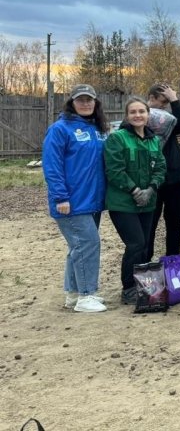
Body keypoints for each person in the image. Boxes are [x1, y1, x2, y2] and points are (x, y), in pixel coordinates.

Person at [42, 84, 109, 313]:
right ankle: (86, 295)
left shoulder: (97, 129)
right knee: (88, 244)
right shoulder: (60, 129)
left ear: (95, 102)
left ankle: (72, 294)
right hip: (70, 202)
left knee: (77, 247)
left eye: (89, 99)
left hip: (92, 200)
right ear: (72, 102)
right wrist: (60, 197)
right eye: (80, 100)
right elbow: (52, 166)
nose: (86, 103)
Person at [105, 97, 167, 305]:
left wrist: (151, 189)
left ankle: (143, 285)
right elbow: (114, 170)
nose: (138, 115)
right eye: (133, 112)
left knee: (145, 245)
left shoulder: (154, 140)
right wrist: (133, 189)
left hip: (148, 202)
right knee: (135, 243)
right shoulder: (118, 138)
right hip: (123, 203)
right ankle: (128, 287)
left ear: (148, 114)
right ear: (127, 115)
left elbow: (160, 167)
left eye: (142, 111)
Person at [145, 83, 180, 260]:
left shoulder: (168, 120)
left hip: (175, 179)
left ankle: (172, 263)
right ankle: (146, 264)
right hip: (150, 181)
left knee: (175, 224)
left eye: (168, 102)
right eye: (163, 101)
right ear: (151, 99)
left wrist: (175, 100)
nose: (166, 106)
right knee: (149, 225)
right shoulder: (140, 116)